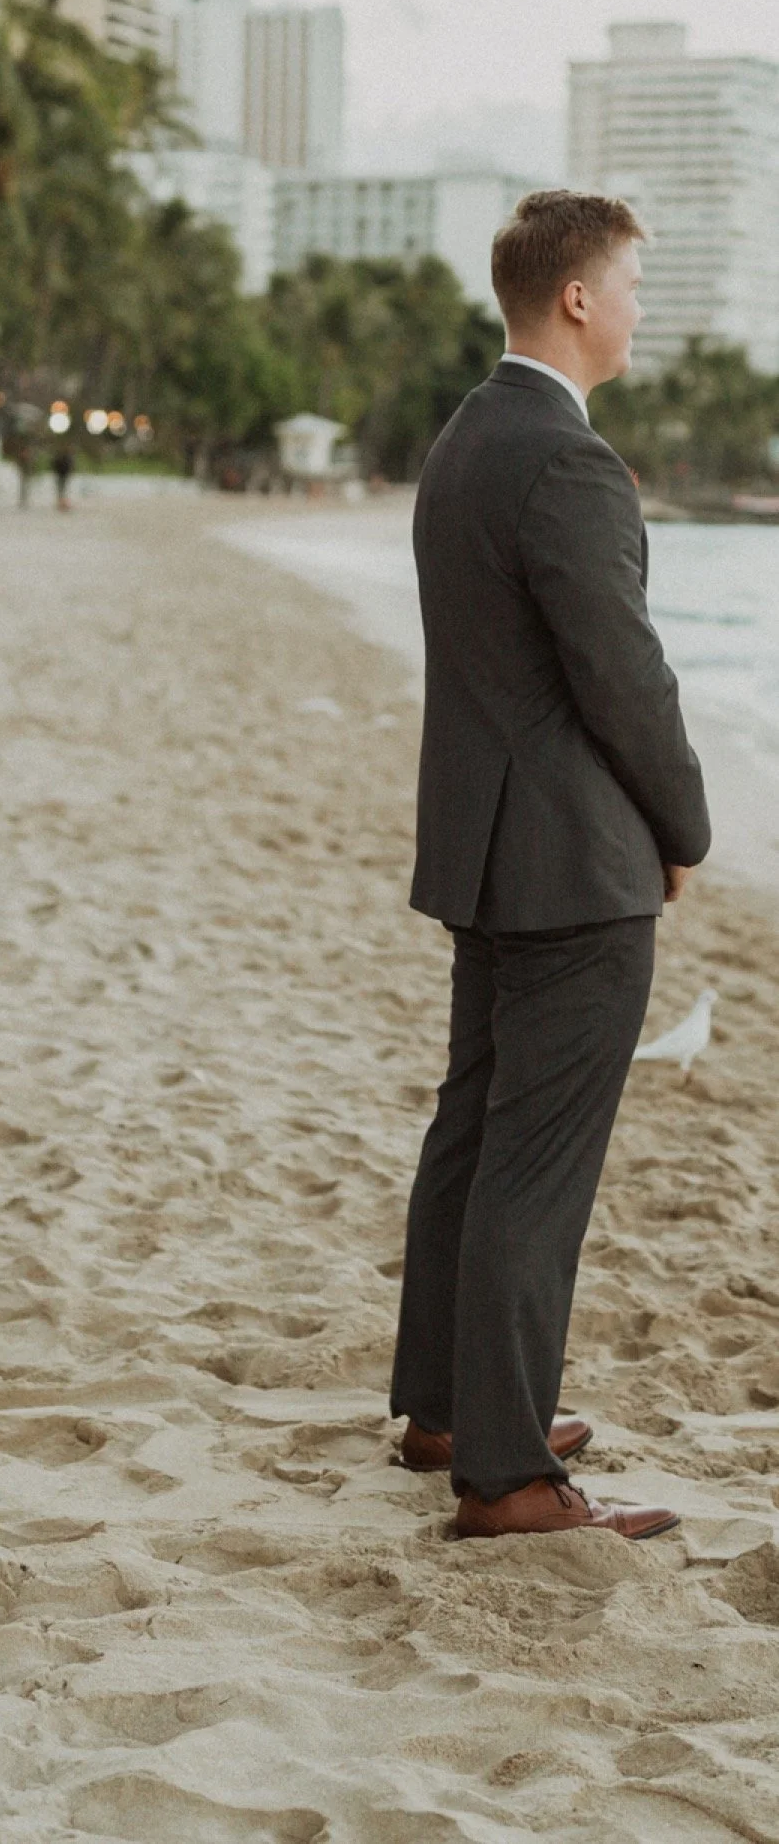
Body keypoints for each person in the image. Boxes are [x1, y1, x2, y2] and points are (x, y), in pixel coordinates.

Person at [390, 190, 710, 1541]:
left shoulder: (469, 436)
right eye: (632, 284)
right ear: (577, 297)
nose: (640, 309)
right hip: (572, 865)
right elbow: (622, 676)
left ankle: (449, 1408)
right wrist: (685, 827)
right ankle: (507, 1474)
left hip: (487, 846)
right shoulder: (568, 461)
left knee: (474, 1133)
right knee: (534, 1164)